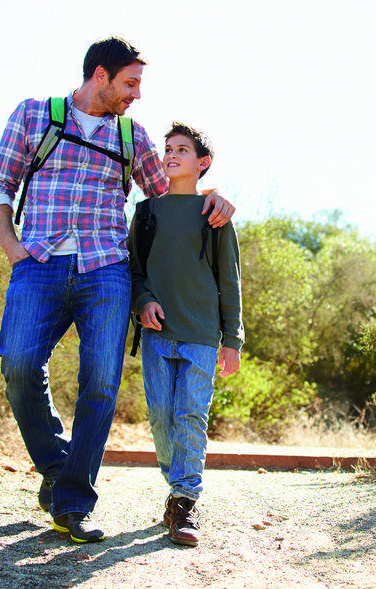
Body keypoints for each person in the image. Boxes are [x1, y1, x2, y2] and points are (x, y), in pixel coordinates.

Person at [0, 37, 234, 544]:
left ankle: (74, 503)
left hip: (107, 270)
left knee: (100, 385)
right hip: (40, 262)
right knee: (17, 362)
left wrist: (214, 196)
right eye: (130, 83)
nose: (137, 94)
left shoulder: (131, 135)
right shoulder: (35, 115)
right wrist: (12, 247)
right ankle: (57, 468)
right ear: (101, 76)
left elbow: (168, 194)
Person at [129, 123, 243, 546]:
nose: (172, 155)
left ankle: (185, 501)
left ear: (202, 163)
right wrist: (143, 302)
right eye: (168, 149)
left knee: (190, 416)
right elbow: (134, 271)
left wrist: (232, 340)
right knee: (161, 417)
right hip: (158, 334)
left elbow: (229, 280)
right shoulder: (146, 213)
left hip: (200, 333)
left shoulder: (213, 214)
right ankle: (175, 485)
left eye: (182, 150)